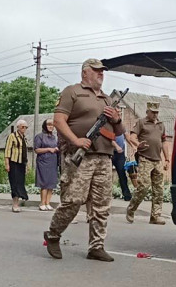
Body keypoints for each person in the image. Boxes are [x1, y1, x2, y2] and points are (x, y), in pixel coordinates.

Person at [43, 58, 125, 262]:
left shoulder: (107, 99)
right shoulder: (72, 92)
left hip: (104, 157)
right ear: (84, 73)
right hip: (79, 157)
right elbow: (59, 120)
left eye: (102, 72)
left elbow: (120, 131)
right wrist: (75, 140)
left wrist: (116, 118)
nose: (101, 74)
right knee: (73, 200)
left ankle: (96, 246)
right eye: (96, 71)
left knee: (101, 205)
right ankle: (53, 235)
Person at [125, 102, 171, 225]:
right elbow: (132, 137)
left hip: (157, 160)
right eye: (153, 112)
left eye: (157, 112)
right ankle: (131, 209)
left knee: (159, 189)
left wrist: (167, 159)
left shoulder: (161, 125)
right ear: (147, 111)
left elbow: (164, 142)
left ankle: (155, 216)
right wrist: (136, 144)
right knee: (143, 187)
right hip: (145, 158)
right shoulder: (141, 122)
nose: (155, 114)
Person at [34, 119, 59, 211]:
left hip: (53, 162)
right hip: (43, 162)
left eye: (52, 125)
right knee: (44, 183)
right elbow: (37, 150)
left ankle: (48, 203)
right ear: (45, 125)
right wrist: (49, 149)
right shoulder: (39, 136)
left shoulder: (54, 137)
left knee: (51, 183)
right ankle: (42, 203)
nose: (51, 126)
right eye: (48, 125)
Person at [4, 119, 29, 212]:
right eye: (22, 126)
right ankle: (14, 204)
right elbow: (7, 150)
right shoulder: (12, 136)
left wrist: (26, 165)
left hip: (22, 163)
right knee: (14, 183)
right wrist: (7, 164)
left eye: (26, 127)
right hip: (13, 162)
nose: (24, 128)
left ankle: (17, 203)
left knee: (20, 183)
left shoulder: (24, 138)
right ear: (18, 127)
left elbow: (25, 152)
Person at [112, 133, 131, 202]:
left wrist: (133, 146)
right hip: (109, 152)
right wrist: (116, 146)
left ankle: (127, 195)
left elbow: (126, 135)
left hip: (120, 154)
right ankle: (104, 195)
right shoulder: (107, 125)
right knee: (106, 174)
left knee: (122, 173)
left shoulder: (120, 126)